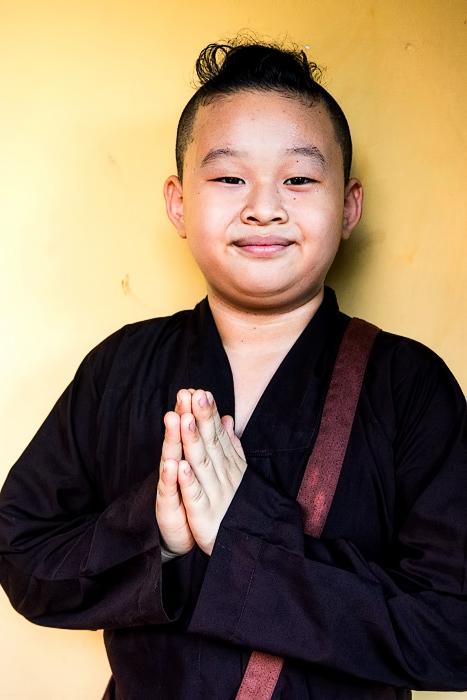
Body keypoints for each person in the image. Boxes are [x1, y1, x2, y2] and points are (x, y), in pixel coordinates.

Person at [0, 38, 466, 700]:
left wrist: (244, 535)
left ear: (350, 206)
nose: (264, 207)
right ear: (178, 204)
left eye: (299, 179)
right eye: (227, 178)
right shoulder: (121, 368)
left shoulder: (409, 386)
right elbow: (22, 558)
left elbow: (452, 627)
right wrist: (153, 535)